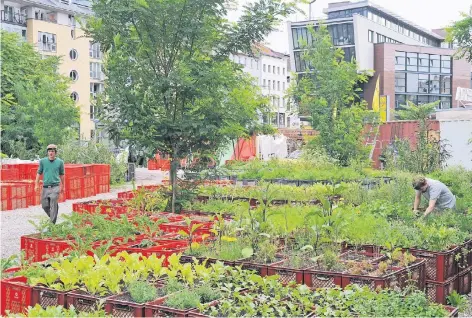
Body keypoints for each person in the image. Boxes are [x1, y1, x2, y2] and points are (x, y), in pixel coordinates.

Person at [35, 144, 65, 224]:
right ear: (47, 152)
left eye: (52, 151)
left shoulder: (60, 162)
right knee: (44, 205)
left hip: (55, 187)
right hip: (45, 187)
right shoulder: (43, 162)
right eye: (49, 151)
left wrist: (63, 186)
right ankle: (53, 215)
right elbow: (38, 173)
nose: (51, 153)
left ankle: (52, 224)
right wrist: (36, 184)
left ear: (55, 152)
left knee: (53, 203)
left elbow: (62, 175)